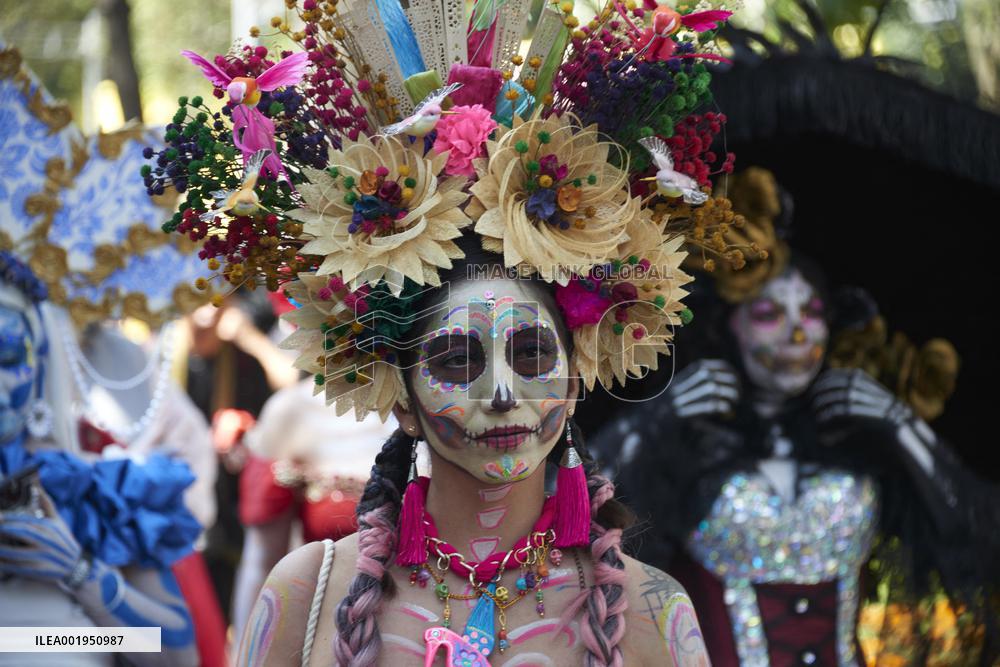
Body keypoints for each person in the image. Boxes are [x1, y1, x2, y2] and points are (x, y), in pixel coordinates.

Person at [155, 3, 744, 663]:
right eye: (457, 360)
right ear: (402, 398)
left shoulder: (653, 611)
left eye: (532, 354)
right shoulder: (305, 592)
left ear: (576, 379)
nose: (502, 392)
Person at [593, 168, 1000, 666]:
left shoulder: (855, 442)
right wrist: (654, 419)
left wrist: (902, 423)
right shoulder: (685, 445)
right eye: (769, 315)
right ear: (727, 328)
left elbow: (973, 527)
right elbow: (579, 525)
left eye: (811, 313)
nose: (798, 335)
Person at [231, 379, 397, 643]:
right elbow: (261, 564)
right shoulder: (293, 410)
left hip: (431, 630)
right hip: (326, 636)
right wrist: (247, 650)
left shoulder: (443, 406)